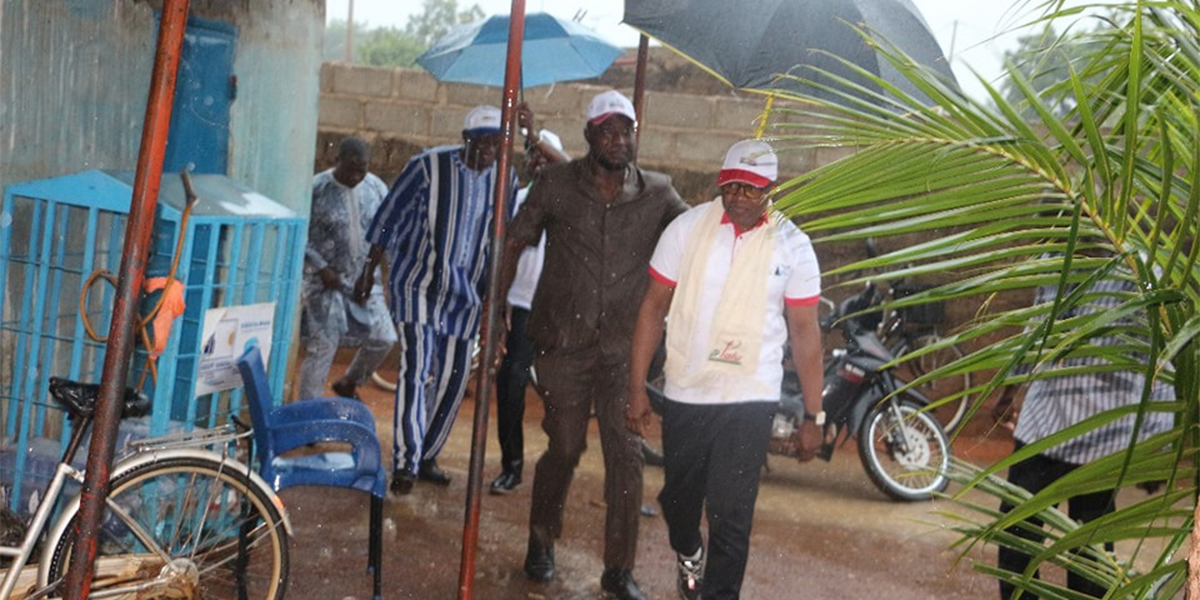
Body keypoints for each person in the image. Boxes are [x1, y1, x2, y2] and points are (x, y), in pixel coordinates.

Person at [500, 90, 688, 600]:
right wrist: (495, 313)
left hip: (625, 353)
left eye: (625, 130)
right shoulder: (555, 186)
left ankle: (618, 570)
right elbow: (515, 242)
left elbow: (695, 234)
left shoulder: (659, 194)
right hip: (563, 344)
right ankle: (541, 539)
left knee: (626, 454)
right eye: (607, 130)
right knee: (563, 447)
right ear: (588, 136)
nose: (618, 139)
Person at [626, 139, 824, 600]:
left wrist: (814, 415)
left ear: (771, 190)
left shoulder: (793, 246)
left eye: (750, 189)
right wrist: (636, 387)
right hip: (687, 391)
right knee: (679, 503)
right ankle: (687, 548)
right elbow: (652, 308)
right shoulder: (687, 229)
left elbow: (805, 334)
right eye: (730, 186)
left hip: (749, 396)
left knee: (731, 516)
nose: (737, 196)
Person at [355, 105, 524, 495]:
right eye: (481, 142)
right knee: (417, 367)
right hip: (417, 283)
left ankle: (427, 453)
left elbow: (502, 240)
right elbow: (389, 214)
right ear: (465, 140)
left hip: (467, 294)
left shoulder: (506, 179)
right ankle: (405, 462)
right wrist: (368, 269)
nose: (488, 151)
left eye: (496, 143)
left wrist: (496, 303)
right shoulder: (428, 167)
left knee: (453, 376)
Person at [994, 273, 1174, 599]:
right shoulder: (1054, 259)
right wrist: (1009, 391)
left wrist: (1158, 442)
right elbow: (1036, 328)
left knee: (1089, 549)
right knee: (1016, 534)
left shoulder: (1139, 273)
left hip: (1101, 432)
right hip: (1043, 424)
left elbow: (1161, 357)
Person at [490, 128, 566, 495]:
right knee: (510, 382)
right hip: (521, 305)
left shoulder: (570, 200)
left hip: (557, 308)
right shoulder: (516, 198)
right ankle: (512, 465)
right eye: (532, 155)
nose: (538, 162)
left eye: (545, 156)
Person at [298, 136, 396, 402]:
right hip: (324, 282)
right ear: (336, 160)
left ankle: (350, 382)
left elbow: (387, 231)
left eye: (361, 169)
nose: (356, 175)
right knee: (323, 347)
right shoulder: (317, 188)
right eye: (351, 168)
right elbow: (300, 233)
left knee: (384, 338)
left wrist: (382, 275)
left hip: (365, 279)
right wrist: (319, 266)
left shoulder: (376, 187)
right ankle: (308, 415)